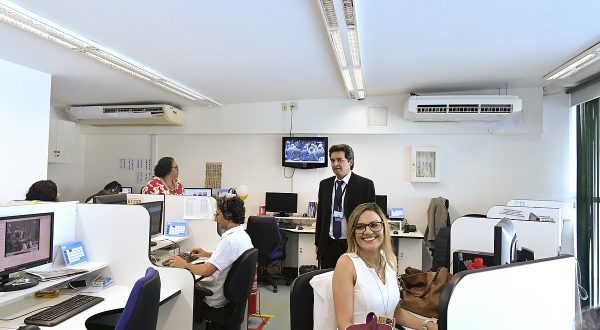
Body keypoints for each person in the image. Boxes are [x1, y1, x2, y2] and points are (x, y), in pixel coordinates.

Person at [333, 203, 438, 330]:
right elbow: (344, 324)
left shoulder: (390, 260)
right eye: (360, 227)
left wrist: (428, 324)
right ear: (353, 233)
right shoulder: (347, 263)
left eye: (374, 225)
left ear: (384, 227)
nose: (368, 231)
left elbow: (394, 312)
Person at [168, 195, 253, 313]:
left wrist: (184, 264)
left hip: (214, 298)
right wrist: (207, 254)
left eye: (217, 214)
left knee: (181, 287)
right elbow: (231, 257)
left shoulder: (229, 241)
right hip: (231, 296)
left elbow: (205, 271)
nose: (215, 219)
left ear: (228, 216)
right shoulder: (243, 235)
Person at [315, 144, 376, 269]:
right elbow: (321, 216)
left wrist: (369, 245)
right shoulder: (325, 185)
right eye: (332, 160)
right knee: (328, 281)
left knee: (353, 282)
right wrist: (318, 243)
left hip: (353, 244)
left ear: (350, 162)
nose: (335, 164)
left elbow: (371, 219)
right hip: (328, 245)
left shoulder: (365, 185)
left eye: (339, 160)